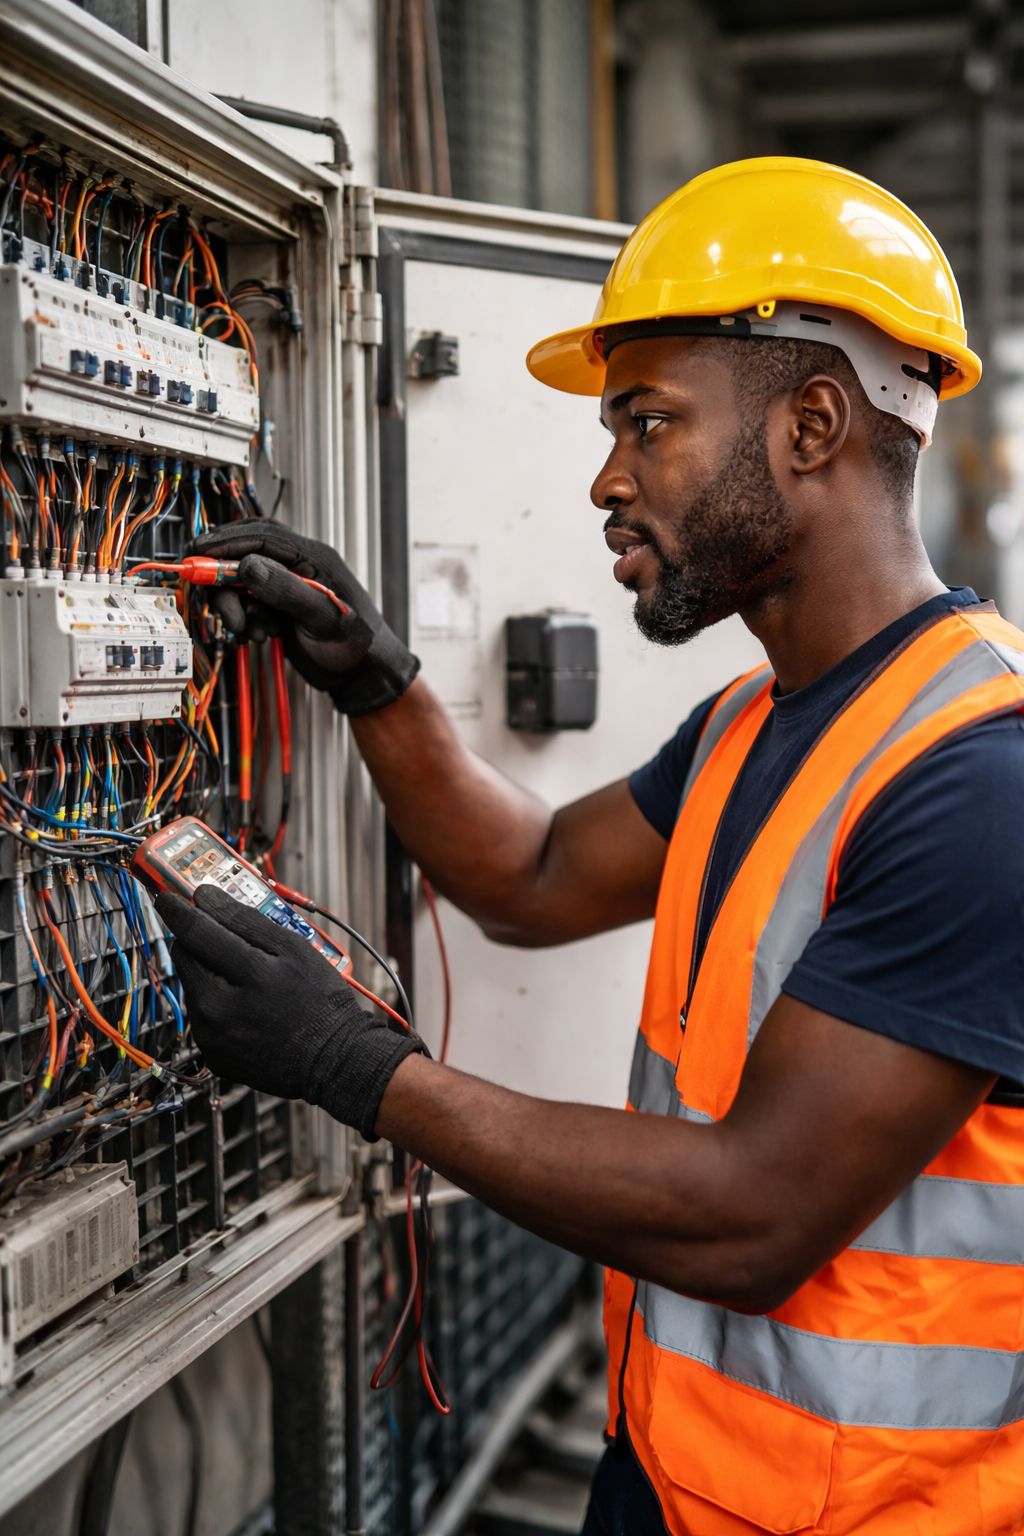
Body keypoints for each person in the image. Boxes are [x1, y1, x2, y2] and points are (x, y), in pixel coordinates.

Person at [157, 158, 1024, 1535]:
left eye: (649, 423)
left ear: (812, 425)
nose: (606, 479)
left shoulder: (981, 779)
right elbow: (532, 878)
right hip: (672, 1475)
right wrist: (377, 681)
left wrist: (358, 1068)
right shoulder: (760, 721)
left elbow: (755, 1215)